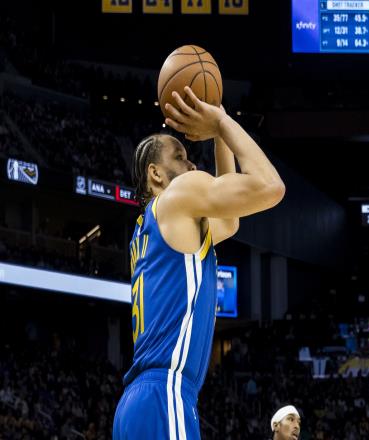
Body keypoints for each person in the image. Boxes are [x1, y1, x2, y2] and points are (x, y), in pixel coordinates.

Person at [113, 86, 286, 439]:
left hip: (136, 403)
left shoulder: (150, 229)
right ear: (155, 174)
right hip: (166, 394)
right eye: (179, 157)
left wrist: (219, 139)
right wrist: (222, 122)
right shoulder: (177, 196)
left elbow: (230, 221)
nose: (191, 164)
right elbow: (270, 187)